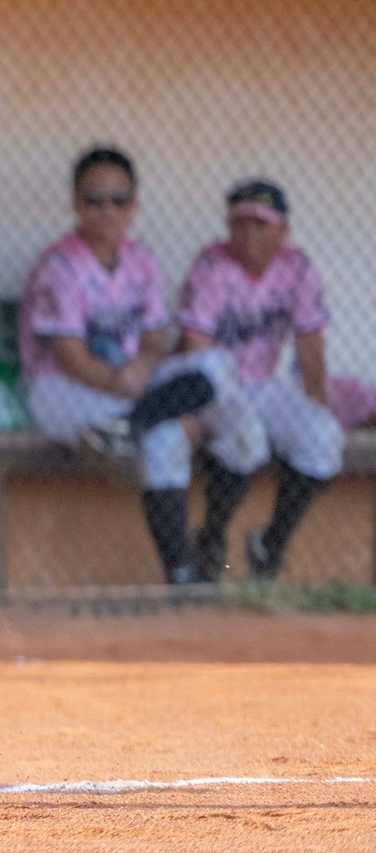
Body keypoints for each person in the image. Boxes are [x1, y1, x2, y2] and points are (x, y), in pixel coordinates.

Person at [19, 147, 261, 585]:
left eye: (118, 200)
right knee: (168, 434)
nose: (106, 210)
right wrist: (120, 380)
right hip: (64, 388)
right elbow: (67, 354)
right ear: (76, 204)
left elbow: (155, 338)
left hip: (133, 388)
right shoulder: (59, 264)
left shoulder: (141, 259)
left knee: (220, 368)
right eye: (93, 199)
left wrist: (142, 369)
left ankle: (133, 430)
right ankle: (184, 576)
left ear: (134, 206)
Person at [176, 180, 342, 581]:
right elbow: (195, 348)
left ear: (282, 230)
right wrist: (196, 409)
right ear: (228, 226)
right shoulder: (211, 265)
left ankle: (271, 544)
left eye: (261, 224)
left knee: (323, 438)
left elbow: (309, 346)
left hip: (266, 385)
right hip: (216, 384)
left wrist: (314, 406)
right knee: (246, 439)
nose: (250, 234)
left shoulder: (297, 268)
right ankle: (212, 539)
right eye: (241, 223)